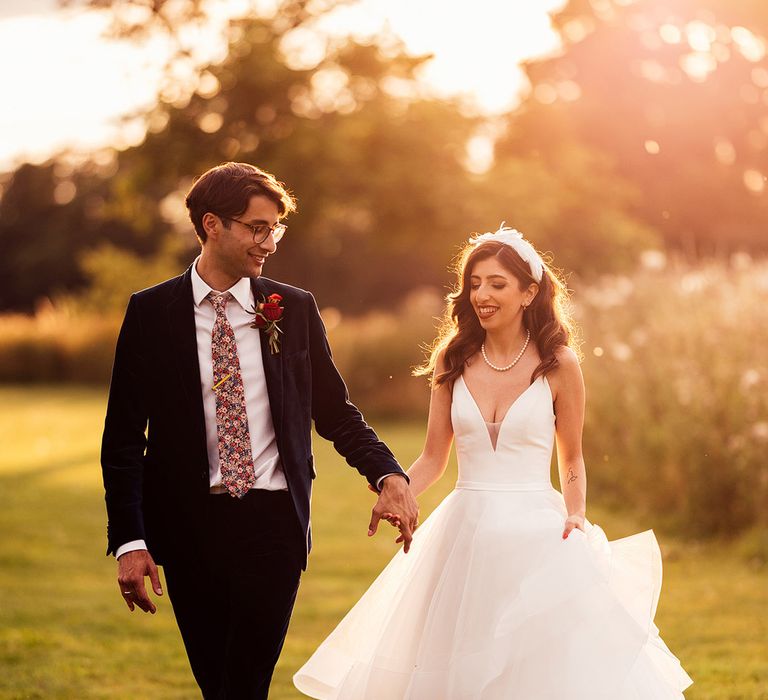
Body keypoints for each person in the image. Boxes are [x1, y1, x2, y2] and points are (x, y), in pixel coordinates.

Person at [293, 226, 694, 699]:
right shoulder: (452, 359)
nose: (482, 294)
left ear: (529, 292)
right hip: (464, 533)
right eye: (475, 283)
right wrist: (397, 491)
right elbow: (434, 456)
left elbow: (572, 456)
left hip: (537, 533)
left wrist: (576, 512)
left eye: (497, 284)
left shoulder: (559, 363)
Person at [100, 161, 418, 699]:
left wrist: (386, 471)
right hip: (187, 527)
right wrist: (130, 541)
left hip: (273, 524)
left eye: (275, 228)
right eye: (257, 227)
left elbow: (334, 411)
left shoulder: (292, 309)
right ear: (211, 225)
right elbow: (125, 440)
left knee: (245, 684)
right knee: (217, 685)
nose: (269, 241)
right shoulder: (151, 313)